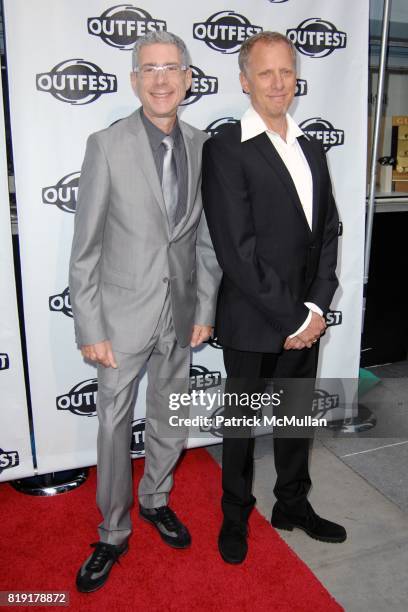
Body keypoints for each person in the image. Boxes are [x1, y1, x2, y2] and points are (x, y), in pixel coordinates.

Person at [69, 31, 220, 592]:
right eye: (148, 69)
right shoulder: (105, 145)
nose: (160, 78)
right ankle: (112, 532)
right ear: (135, 81)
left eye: (171, 68)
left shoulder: (206, 147)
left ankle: (155, 498)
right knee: (112, 424)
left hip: (180, 311)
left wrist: (204, 305)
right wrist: (91, 325)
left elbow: (205, 239)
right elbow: (85, 247)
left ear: (186, 79)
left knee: (171, 414)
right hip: (120, 316)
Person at [202, 31, 346, 565]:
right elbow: (235, 251)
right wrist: (293, 316)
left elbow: (328, 230)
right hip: (252, 317)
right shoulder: (225, 148)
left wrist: (315, 306)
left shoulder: (311, 146)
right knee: (240, 428)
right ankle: (235, 514)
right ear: (244, 80)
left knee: (295, 419)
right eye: (265, 73)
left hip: (304, 317)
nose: (278, 82)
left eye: (286, 71)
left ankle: (292, 505)